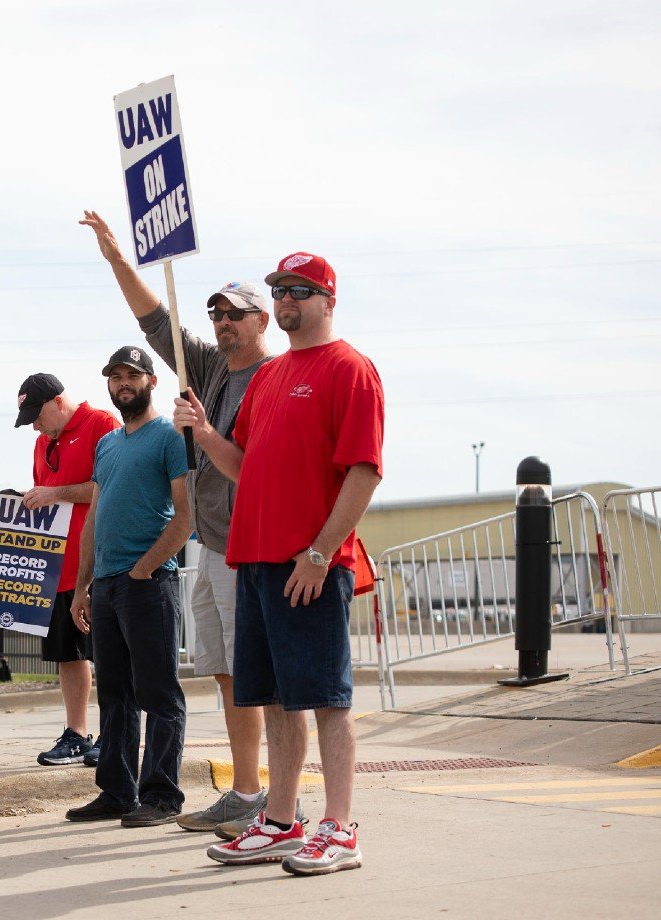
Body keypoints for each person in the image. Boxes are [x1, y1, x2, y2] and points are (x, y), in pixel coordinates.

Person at [174, 251, 384, 876]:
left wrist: (321, 553)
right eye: (279, 290)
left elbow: (363, 471)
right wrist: (207, 434)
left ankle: (340, 829)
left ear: (327, 300)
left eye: (300, 290)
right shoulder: (268, 377)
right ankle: (280, 822)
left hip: (309, 564)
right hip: (256, 562)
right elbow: (246, 466)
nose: (287, 299)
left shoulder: (351, 370)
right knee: (272, 700)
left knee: (326, 700)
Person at [80, 209, 274, 834]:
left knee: (250, 675)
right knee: (223, 673)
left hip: (253, 544)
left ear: (260, 320)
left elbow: (254, 468)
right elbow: (154, 319)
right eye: (215, 314)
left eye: (233, 314)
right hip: (214, 546)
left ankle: (266, 796)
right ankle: (244, 792)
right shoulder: (208, 367)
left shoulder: (272, 377)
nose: (220, 323)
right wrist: (115, 258)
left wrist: (204, 431)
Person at [64, 346, 192, 828]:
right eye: (115, 377)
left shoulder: (169, 436)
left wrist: (144, 569)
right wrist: (82, 587)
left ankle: (161, 794)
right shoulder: (109, 444)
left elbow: (185, 517)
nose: (123, 384)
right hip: (107, 588)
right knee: (114, 693)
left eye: (131, 376)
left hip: (149, 584)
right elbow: (95, 516)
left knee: (158, 692)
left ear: (151, 381)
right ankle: (117, 791)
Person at [15, 373, 120, 767]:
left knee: (106, 653)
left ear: (58, 402)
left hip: (96, 563)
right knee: (67, 654)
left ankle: (114, 732)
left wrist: (56, 493)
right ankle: (76, 733)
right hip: (58, 567)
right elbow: (46, 497)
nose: (34, 425)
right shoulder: (42, 444)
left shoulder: (102, 425)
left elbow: (112, 485)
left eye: (37, 415)